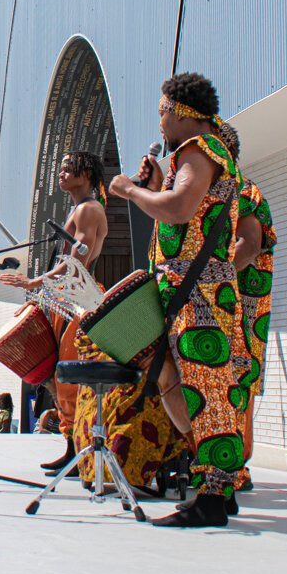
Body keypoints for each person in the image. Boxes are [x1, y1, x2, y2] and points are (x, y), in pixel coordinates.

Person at [108, 72, 248, 528]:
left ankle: (212, 495)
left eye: (161, 113)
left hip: (198, 292)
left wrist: (131, 190)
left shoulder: (198, 151)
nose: (160, 124)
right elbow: (182, 207)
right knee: (184, 383)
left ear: (179, 113)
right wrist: (157, 185)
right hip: (199, 289)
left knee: (204, 389)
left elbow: (179, 209)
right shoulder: (206, 154)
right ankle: (217, 488)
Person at [0, 150, 113, 472]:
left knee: (69, 378)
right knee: (56, 376)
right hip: (66, 300)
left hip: (79, 301)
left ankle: (77, 450)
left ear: (86, 172)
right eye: (61, 169)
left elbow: (76, 263)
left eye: (68, 168)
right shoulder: (79, 209)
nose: (62, 173)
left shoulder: (90, 209)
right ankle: (72, 447)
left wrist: (34, 282)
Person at [215, 122, 276, 496]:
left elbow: (249, 245)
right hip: (222, 303)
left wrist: (212, 277)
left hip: (240, 308)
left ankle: (233, 468)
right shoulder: (219, 191)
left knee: (234, 382)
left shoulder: (243, 190)